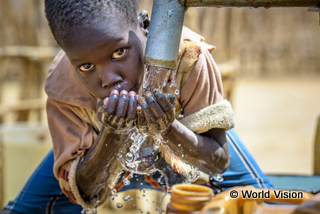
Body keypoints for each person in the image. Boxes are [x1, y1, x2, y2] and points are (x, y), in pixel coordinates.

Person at [0, 0, 272, 213]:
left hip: (190, 137)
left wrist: (167, 128)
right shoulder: (65, 89)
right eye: (86, 66)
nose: (109, 79)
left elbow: (218, 161)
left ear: (144, 25)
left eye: (119, 52)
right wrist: (113, 133)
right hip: (96, 151)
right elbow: (85, 191)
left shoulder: (187, 57)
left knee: (265, 200)